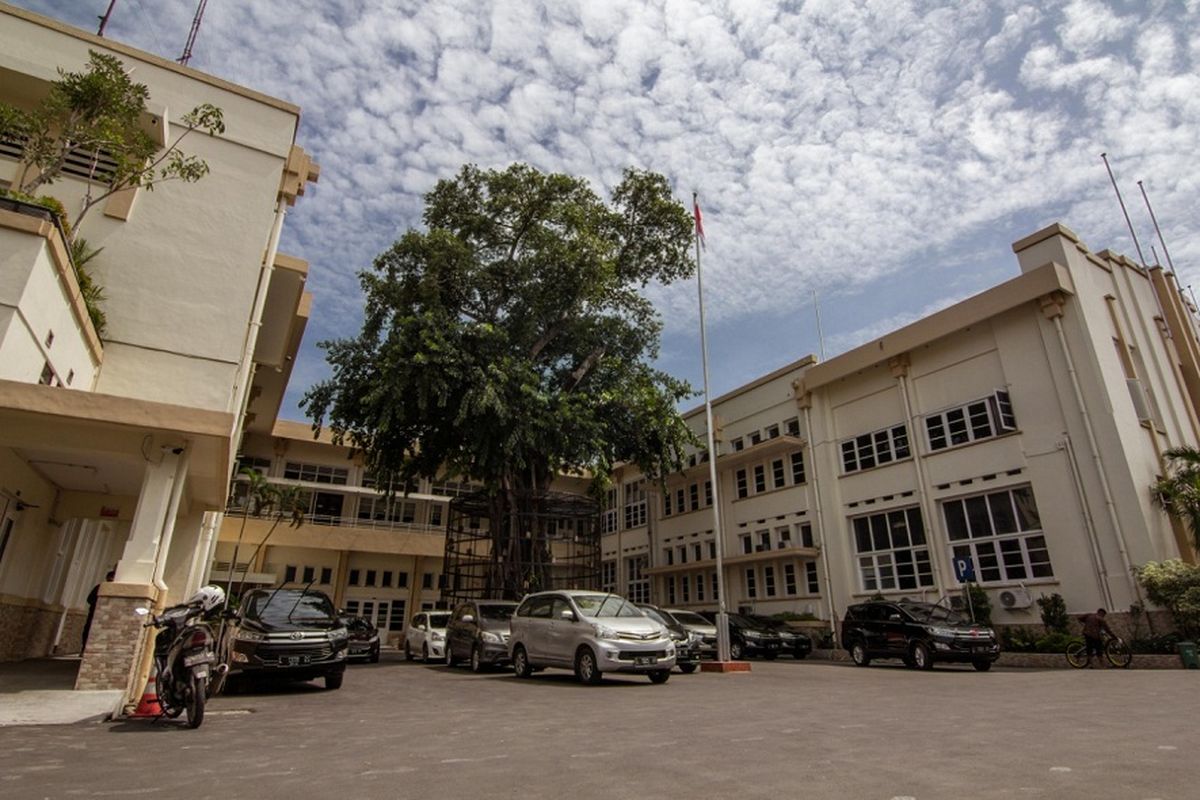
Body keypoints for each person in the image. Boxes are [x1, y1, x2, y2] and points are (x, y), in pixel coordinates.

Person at [82, 569, 116, 653]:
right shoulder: (99, 587)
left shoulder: (114, 589)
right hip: (94, 613)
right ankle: (84, 648)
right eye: (109, 579)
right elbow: (89, 599)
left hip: (106, 616)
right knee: (88, 630)